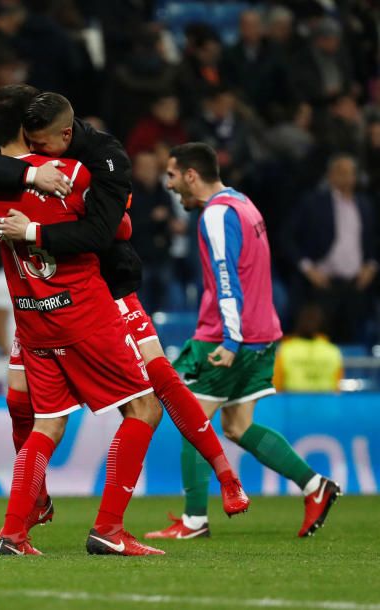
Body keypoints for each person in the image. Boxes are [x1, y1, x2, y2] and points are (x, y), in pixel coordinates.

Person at [0, 90, 247, 529]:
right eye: (30, 140)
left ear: (62, 131)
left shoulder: (99, 159)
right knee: (30, 406)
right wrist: (32, 178)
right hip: (62, 300)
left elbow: (113, 229)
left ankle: (226, 477)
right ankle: (60, 514)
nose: (38, 150)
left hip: (103, 288)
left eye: (44, 142)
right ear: (23, 129)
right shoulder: (36, 168)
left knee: (158, 381)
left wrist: (36, 225)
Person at [0, 87, 166, 557]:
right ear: (28, 128)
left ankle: (13, 534)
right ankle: (108, 529)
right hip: (81, 311)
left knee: (48, 425)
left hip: (32, 318)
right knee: (144, 409)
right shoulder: (71, 174)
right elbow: (116, 230)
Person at [149, 142, 341, 540]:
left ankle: (193, 521)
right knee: (237, 426)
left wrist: (231, 340)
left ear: (190, 175)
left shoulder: (216, 215)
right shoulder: (243, 204)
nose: (167, 185)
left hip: (228, 336)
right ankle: (314, 486)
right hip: (263, 332)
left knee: (193, 422)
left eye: (170, 175)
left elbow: (225, 278)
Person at [289, 154, 376, 343]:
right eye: (340, 172)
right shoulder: (313, 202)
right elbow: (288, 237)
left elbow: (373, 240)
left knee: (353, 339)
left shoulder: (365, 205)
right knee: (321, 338)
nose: (346, 177)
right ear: (330, 175)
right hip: (323, 283)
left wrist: (371, 265)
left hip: (355, 285)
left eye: (350, 173)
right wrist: (307, 268)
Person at [273, 304, 343, 393]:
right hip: (325, 405)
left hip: (294, 405)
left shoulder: (286, 350)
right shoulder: (333, 351)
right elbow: (337, 388)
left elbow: (277, 386)